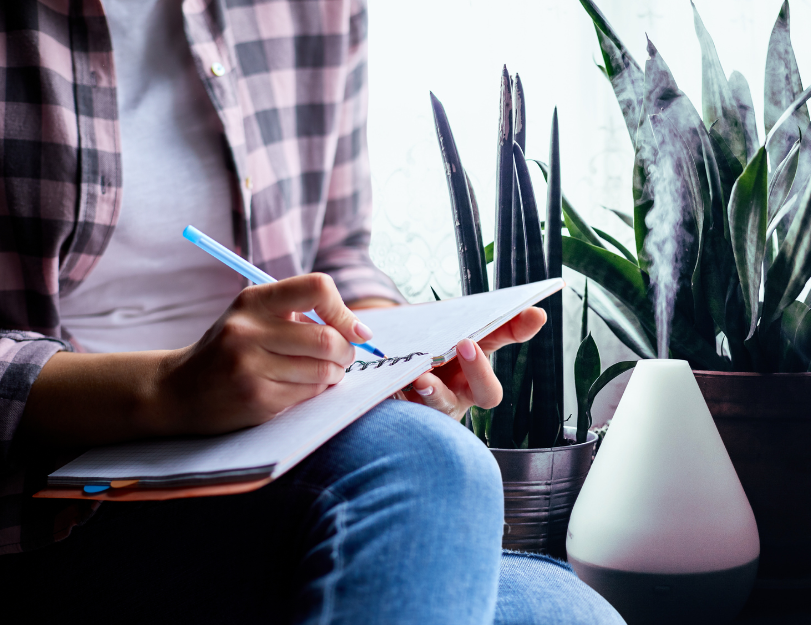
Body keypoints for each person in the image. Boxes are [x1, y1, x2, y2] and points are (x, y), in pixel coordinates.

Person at [0, 2, 625, 623]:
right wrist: (167, 389)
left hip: (277, 476)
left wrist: (405, 361)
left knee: (566, 610)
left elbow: (338, 254)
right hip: (50, 518)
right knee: (428, 464)